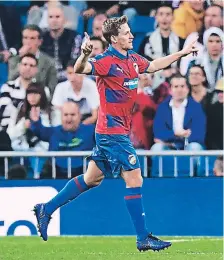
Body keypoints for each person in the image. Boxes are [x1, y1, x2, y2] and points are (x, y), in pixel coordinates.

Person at [33, 15, 198, 252]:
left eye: (131, 31)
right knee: (135, 178)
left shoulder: (132, 58)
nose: (132, 35)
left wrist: (182, 53)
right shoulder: (106, 61)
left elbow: (153, 65)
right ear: (114, 38)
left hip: (111, 131)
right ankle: (143, 238)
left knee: (92, 179)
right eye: (127, 32)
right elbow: (81, 68)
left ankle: (45, 209)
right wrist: (85, 53)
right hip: (112, 133)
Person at [30, 101, 95, 178]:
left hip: (83, 174)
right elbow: (39, 131)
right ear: (61, 116)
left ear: (79, 116)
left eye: (72, 114)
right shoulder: (54, 132)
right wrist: (35, 121)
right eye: (66, 114)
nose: (69, 118)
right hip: (56, 174)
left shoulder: (91, 130)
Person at [8, 25, 57, 96]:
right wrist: (21, 59)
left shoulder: (49, 62)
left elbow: (52, 89)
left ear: (40, 42)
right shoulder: (14, 59)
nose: (28, 42)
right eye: (25, 38)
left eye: (32, 38)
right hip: (16, 97)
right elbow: (11, 80)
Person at [52, 60, 99, 125]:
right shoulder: (60, 87)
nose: (73, 77)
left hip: (86, 121)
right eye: (70, 73)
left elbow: (94, 116)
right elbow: (57, 113)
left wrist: (80, 127)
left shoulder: (92, 86)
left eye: (76, 73)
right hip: (66, 121)